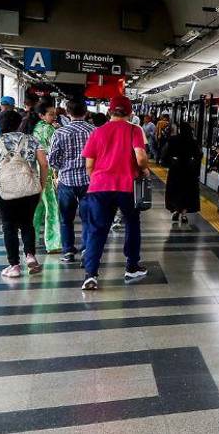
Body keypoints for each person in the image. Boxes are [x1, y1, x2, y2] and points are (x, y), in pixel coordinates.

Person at [79, 96, 149, 291]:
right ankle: (132, 267)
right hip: (127, 187)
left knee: (97, 230)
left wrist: (97, 178)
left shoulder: (97, 131)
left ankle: (91, 274)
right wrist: (144, 169)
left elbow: (89, 164)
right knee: (132, 224)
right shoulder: (134, 130)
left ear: (110, 111)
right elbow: (141, 158)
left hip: (100, 187)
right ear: (130, 113)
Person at [0, 111, 49, 278]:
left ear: (0, 124)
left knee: (8, 225)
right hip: (29, 186)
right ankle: (30, 255)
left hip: (3, 186)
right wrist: (41, 184)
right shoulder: (32, 139)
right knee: (27, 223)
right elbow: (44, 164)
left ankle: (14, 266)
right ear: (19, 123)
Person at [48, 99, 94, 263]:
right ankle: (87, 249)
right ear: (86, 112)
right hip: (89, 181)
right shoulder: (94, 131)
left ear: (67, 113)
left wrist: (64, 167)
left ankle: (68, 251)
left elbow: (52, 160)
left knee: (66, 219)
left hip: (66, 181)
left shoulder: (59, 132)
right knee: (88, 218)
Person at [29, 103, 62, 254]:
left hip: (34, 171)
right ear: (41, 115)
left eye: (54, 113)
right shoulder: (49, 129)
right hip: (46, 172)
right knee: (52, 207)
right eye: (51, 114)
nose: (54, 116)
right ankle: (53, 242)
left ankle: (31, 239)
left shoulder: (35, 127)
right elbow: (53, 153)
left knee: (38, 207)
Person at [164, 121, 201, 222]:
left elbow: (166, 155)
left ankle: (176, 211)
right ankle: (184, 215)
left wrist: (171, 162)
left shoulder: (173, 140)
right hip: (189, 173)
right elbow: (198, 156)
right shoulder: (193, 142)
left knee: (175, 192)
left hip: (175, 171)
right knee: (187, 193)